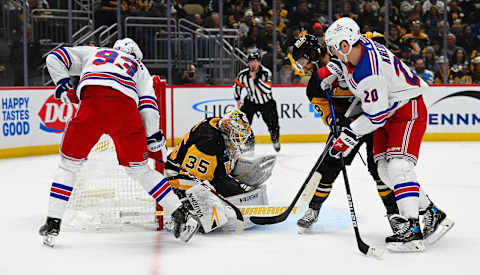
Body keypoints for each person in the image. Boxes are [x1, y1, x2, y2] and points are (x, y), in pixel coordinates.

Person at [39, 38, 200, 246]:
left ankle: (53, 222)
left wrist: (61, 82)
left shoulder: (93, 52)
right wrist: (153, 139)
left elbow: (55, 56)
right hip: (126, 112)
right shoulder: (139, 67)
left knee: (68, 166)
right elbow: (149, 107)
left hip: (92, 105)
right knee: (140, 170)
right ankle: (182, 215)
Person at [324, 17, 454, 252]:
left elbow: (376, 116)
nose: (331, 52)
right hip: (390, 109)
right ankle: (433, 214)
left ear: (345, 45)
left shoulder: (368, 73)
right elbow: (352, 72)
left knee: (398, 167)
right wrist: (336, 73)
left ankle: (413, 231)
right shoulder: (359, 47)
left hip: (406, 109)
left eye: (333, 47)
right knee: (384, 171)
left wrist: (347, 137)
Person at [291, 33, 400, 234]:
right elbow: (323, 107)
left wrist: (376, 40)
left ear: (314, 53)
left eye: (303, 60)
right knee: (328, 166)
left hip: (373, 121)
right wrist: (334, 121)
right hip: (348, 126)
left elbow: (368, 40)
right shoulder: (315, 83)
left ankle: (394, 214)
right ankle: (313, 209)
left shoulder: (346, 57)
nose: (302, 66)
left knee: (379, 168)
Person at [164, 109, 274, 232]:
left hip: (191, 169)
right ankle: (185, 213)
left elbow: (220, 162)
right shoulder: (209, 143)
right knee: (216, 203)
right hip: (177, 177)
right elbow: (198, 177)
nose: (238, 140)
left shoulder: (217, 124)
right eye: (237, 136)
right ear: (228, 129)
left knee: (231, 188)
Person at [233, 49, 281, 152]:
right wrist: (238, 99)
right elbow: (237, 86)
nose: (253, 64)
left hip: (267, 102)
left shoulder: (266, 73)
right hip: (251, 101)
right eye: (250, 61)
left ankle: (275, 138)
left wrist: (256, 80)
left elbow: (267, 90)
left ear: (259, 62)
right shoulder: (243, 74)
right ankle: (249, 143)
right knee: (244, 123)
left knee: (273, 124)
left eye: (255, 61)